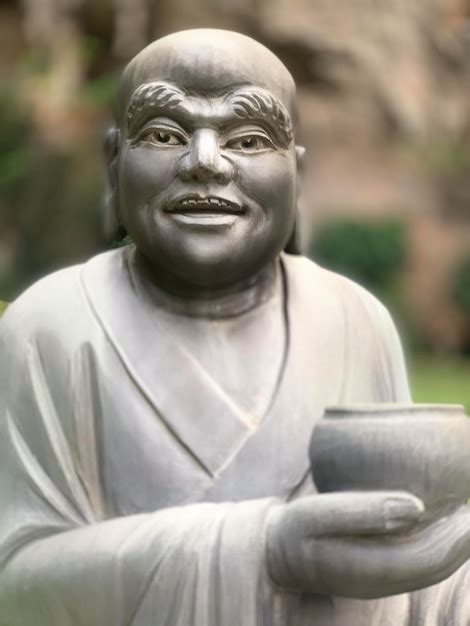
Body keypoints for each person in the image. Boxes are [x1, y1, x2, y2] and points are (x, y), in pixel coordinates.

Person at [0, 29, 469, 626]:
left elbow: (405, 578)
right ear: (114, 163)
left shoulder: (354, 319)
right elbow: (15, 587)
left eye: (248, 139)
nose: (204, 162)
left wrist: (444, 569)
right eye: (166, 134)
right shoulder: (54, 326)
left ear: (296, 174)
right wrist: (267, 548)